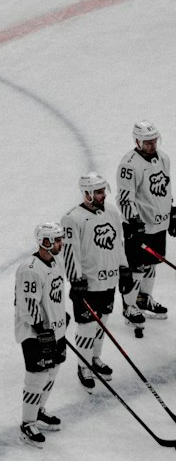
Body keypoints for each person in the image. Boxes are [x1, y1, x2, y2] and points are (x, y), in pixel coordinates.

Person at [60, 173, 127, 389]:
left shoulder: (111, 212)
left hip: (109, 281)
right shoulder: (72, 219)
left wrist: (124, 268)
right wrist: (75, 280)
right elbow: (70, 253)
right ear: (87, 194)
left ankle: (95, 358)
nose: (102, 195)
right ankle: (83, 365)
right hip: (88, 285)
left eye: (103, 191)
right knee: (87, 328)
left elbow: (119, 243)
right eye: (98, 192)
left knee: (102, 324)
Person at [14, 222, 68, 446]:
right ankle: (27, 423)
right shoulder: (30, 269)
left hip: (54, 330)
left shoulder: (55, 263)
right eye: (56, 240)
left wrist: (61, 318)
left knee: (52, 372)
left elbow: (53, 296)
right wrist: (41, 330)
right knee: (36, 378)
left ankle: (38, 411)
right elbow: (28, 306)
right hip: (35, 334)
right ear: (44, 242)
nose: (60, 243)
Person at [116, 121, 173, 322]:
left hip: (159, 224)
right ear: (137, 141)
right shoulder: (129, 165)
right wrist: (133, 221)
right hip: (139, 227)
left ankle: (144, 299)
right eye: (147, 142)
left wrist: (171, 211)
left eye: (154, 140)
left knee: (151, 264)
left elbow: (165, 189)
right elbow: (124, 198)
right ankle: (130, 306)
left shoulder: (164, 159)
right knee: (136, 267)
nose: (152, 145)